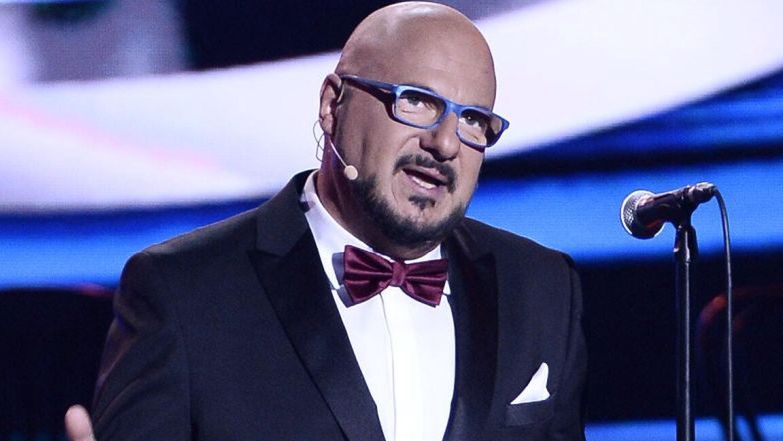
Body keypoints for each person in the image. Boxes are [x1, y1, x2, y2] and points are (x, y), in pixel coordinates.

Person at [65, 2, 586, 440]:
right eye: (417, 102)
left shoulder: (541, 289)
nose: (445, 143)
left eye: (473, 120)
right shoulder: (185, 292)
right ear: (333, 105)